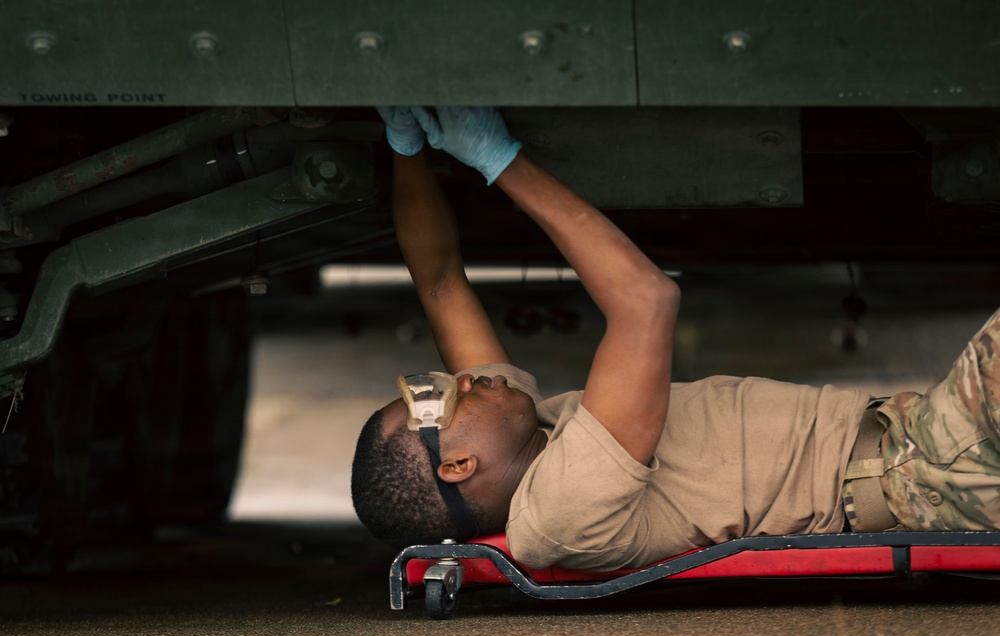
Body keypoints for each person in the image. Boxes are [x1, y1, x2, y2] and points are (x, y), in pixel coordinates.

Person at [351, 106, 1000, 572]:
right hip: (927, 470)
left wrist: (404, 141)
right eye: (444, 397)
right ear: (458, 465)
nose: (464, 377)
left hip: (919, 441)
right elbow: (646, 300)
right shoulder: (557, 513)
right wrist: (500, 160)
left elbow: (438, 281)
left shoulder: (531, 435)